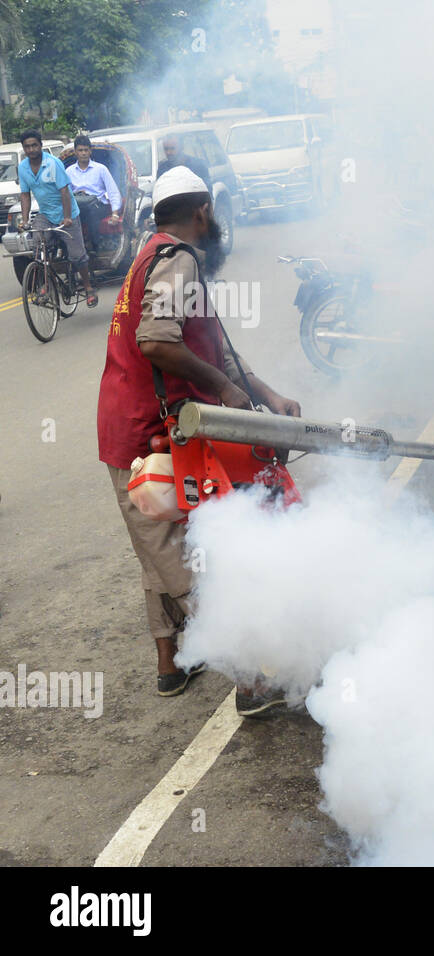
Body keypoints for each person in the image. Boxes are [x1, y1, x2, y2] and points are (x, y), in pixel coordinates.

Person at [97, 167, 301, 715]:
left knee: (160, 541)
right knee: (185, 562)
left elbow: (211, 346)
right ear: (204, 212)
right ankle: (251, 683)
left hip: (144, 433)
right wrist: (228, 392)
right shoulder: (179, 259)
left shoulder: (154, 253)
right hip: (153, 436)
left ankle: (172, 662)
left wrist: (263, 391)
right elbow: (157, 342)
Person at [15, 129, 98, 305]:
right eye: (27, 147)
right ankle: (45, 284)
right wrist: (24, 220)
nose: (31, 149)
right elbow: (25, 195)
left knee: (77, 255)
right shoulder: (22, 167)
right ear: (24, 148)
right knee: (39, 246)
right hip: (45, 214)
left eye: (34, 145)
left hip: (67, 213)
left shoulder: (53, 163)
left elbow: (64, 192)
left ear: (40, 146)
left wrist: (67, 217)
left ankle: (88, 287)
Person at [66, 133, 122, 258]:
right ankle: (72, 250)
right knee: (70, 216)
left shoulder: (100, 169)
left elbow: (113, 191)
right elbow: (65, 194)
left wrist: (115, 213)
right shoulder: (69, 171)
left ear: (90, 151)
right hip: (78, 205)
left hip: (98, 205)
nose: (84, 153)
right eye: (80, 150)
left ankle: (94, 246)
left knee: (91, 211)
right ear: (75, 152)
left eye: (86, 150)